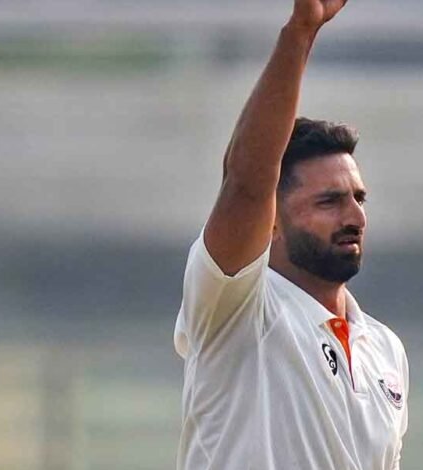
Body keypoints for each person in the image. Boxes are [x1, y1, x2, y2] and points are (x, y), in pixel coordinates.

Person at [172, 1, 409, 468]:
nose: (355, 216)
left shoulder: (385, 349)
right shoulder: (237, 307)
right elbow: (246, 182)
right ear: (272, 221)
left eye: (359, 198)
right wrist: (300, 33)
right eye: (329, 201)